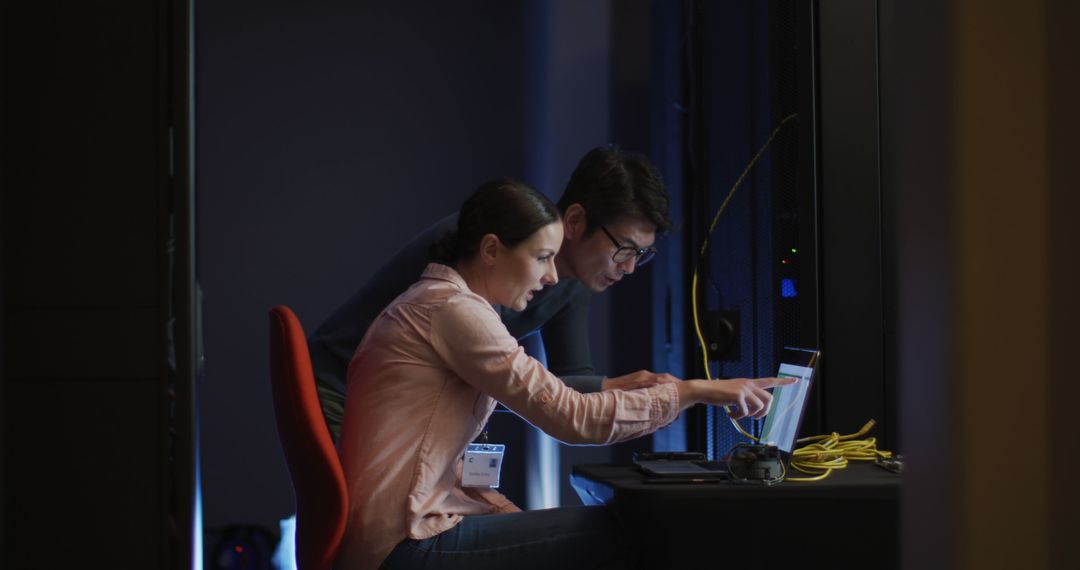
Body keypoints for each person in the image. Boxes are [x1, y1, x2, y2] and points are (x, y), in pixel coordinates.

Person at [336, 179, 794, 570]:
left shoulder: (435, 302)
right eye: (541, 258)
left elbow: (551, 398)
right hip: (404, 546)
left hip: (395, 536)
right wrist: (694, 391)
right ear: (492, 249)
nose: (553, 276)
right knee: (630, 531)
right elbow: (569, 416)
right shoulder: (455, 312)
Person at [310, 146, 682, 442]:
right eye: (625, 248)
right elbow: (506, 380)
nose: (630, 267)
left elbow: (562, 380)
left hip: (387, 406)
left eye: (642, 255)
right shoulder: (488, 249)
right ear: (574, 221)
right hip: (339, 388)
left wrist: (610, 386)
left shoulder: (569, 283)